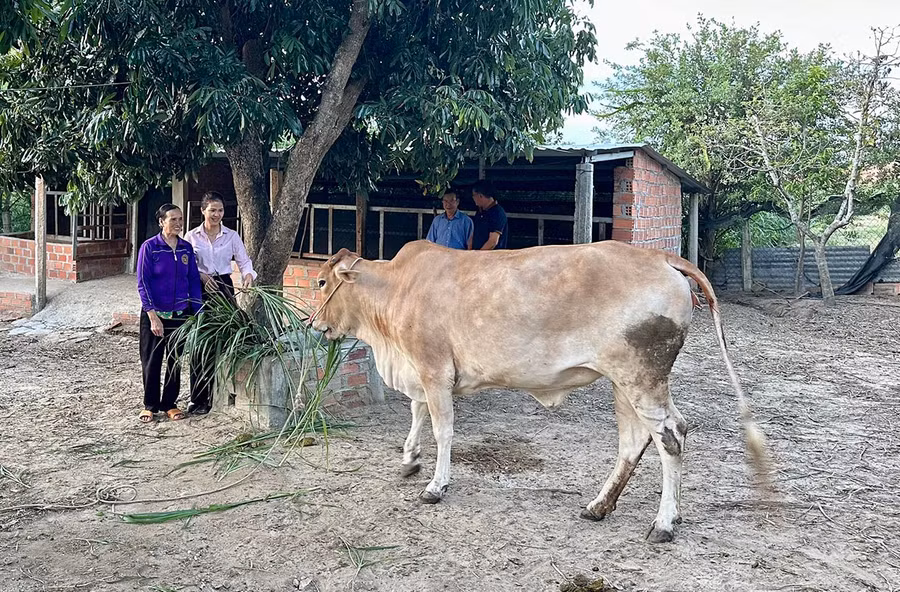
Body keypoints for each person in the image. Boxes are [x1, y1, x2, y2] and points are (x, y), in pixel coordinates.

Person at [184, 191, 257, 415]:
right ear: (203, 211)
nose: (217, 214)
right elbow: (185, 266)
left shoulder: (232, 236)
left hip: (224, 287)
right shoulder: (192, 237)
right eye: (212, 210)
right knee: (200, 341)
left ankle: (221, 393)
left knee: (225, 340)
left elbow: (245, 262)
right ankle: (198, 398)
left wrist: (248, 276)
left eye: (220, 210)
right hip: (200, 290)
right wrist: (201, 276)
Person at [136, 204, 204, 423]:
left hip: (181, 315)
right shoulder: (150, 248)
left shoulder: (185, 249)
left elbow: (193, 281)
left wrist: (198, 311)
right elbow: (142, 283)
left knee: (175, 361)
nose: (178, 223)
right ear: (161, 221)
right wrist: (152, 316)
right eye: (172, 219)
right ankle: (150, 405)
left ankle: (169, 404)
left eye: (180, 219)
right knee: (151, 361)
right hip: (155, 315)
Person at [471, 180, 508, 250]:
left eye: (474, 195)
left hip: (491, 258)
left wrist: (478, 256)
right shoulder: (480, 211)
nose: (473, 198)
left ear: (480, 195)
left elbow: (493, 242)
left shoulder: (497, 213)